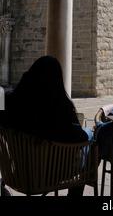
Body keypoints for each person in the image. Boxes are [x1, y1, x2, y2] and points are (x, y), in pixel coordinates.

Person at [0, 56, 92, 195]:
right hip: (51, 173)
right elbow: (80, 138)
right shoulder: (60, 107)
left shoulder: (9, 101)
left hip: (20, 171)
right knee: (89, 139)